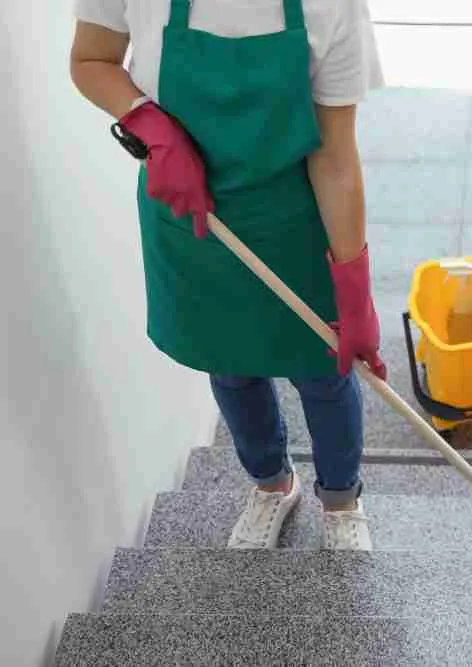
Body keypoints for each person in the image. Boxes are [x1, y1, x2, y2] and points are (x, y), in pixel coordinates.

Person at [69, 0, 387, 550]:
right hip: (193, 219)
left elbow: (335, 156)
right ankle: (272, 484)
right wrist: (148, 121)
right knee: (230, 363)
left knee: (322, 371)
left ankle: (340, 499)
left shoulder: (331, 6)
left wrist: (354, 293)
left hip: (293, 219)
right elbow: (92, 58)